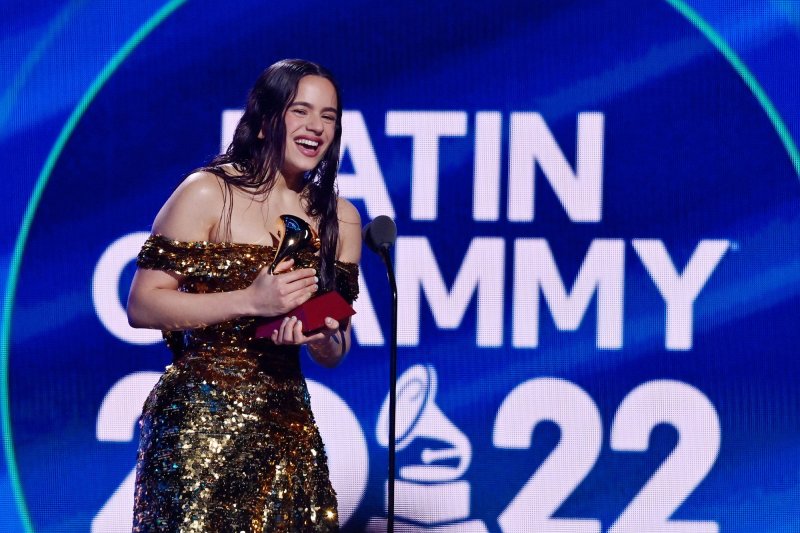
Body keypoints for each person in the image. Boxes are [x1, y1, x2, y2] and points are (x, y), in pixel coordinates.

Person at [127, 59, 360, 532]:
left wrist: (320, 338)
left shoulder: (341, 219)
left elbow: (336, 349)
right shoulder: (209, 192)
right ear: (264, 120)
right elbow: (143, 303)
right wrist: (250, 301)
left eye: (329, 116)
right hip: (199, 427)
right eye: (301, 111)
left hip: (287, 428)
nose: (316, 127)